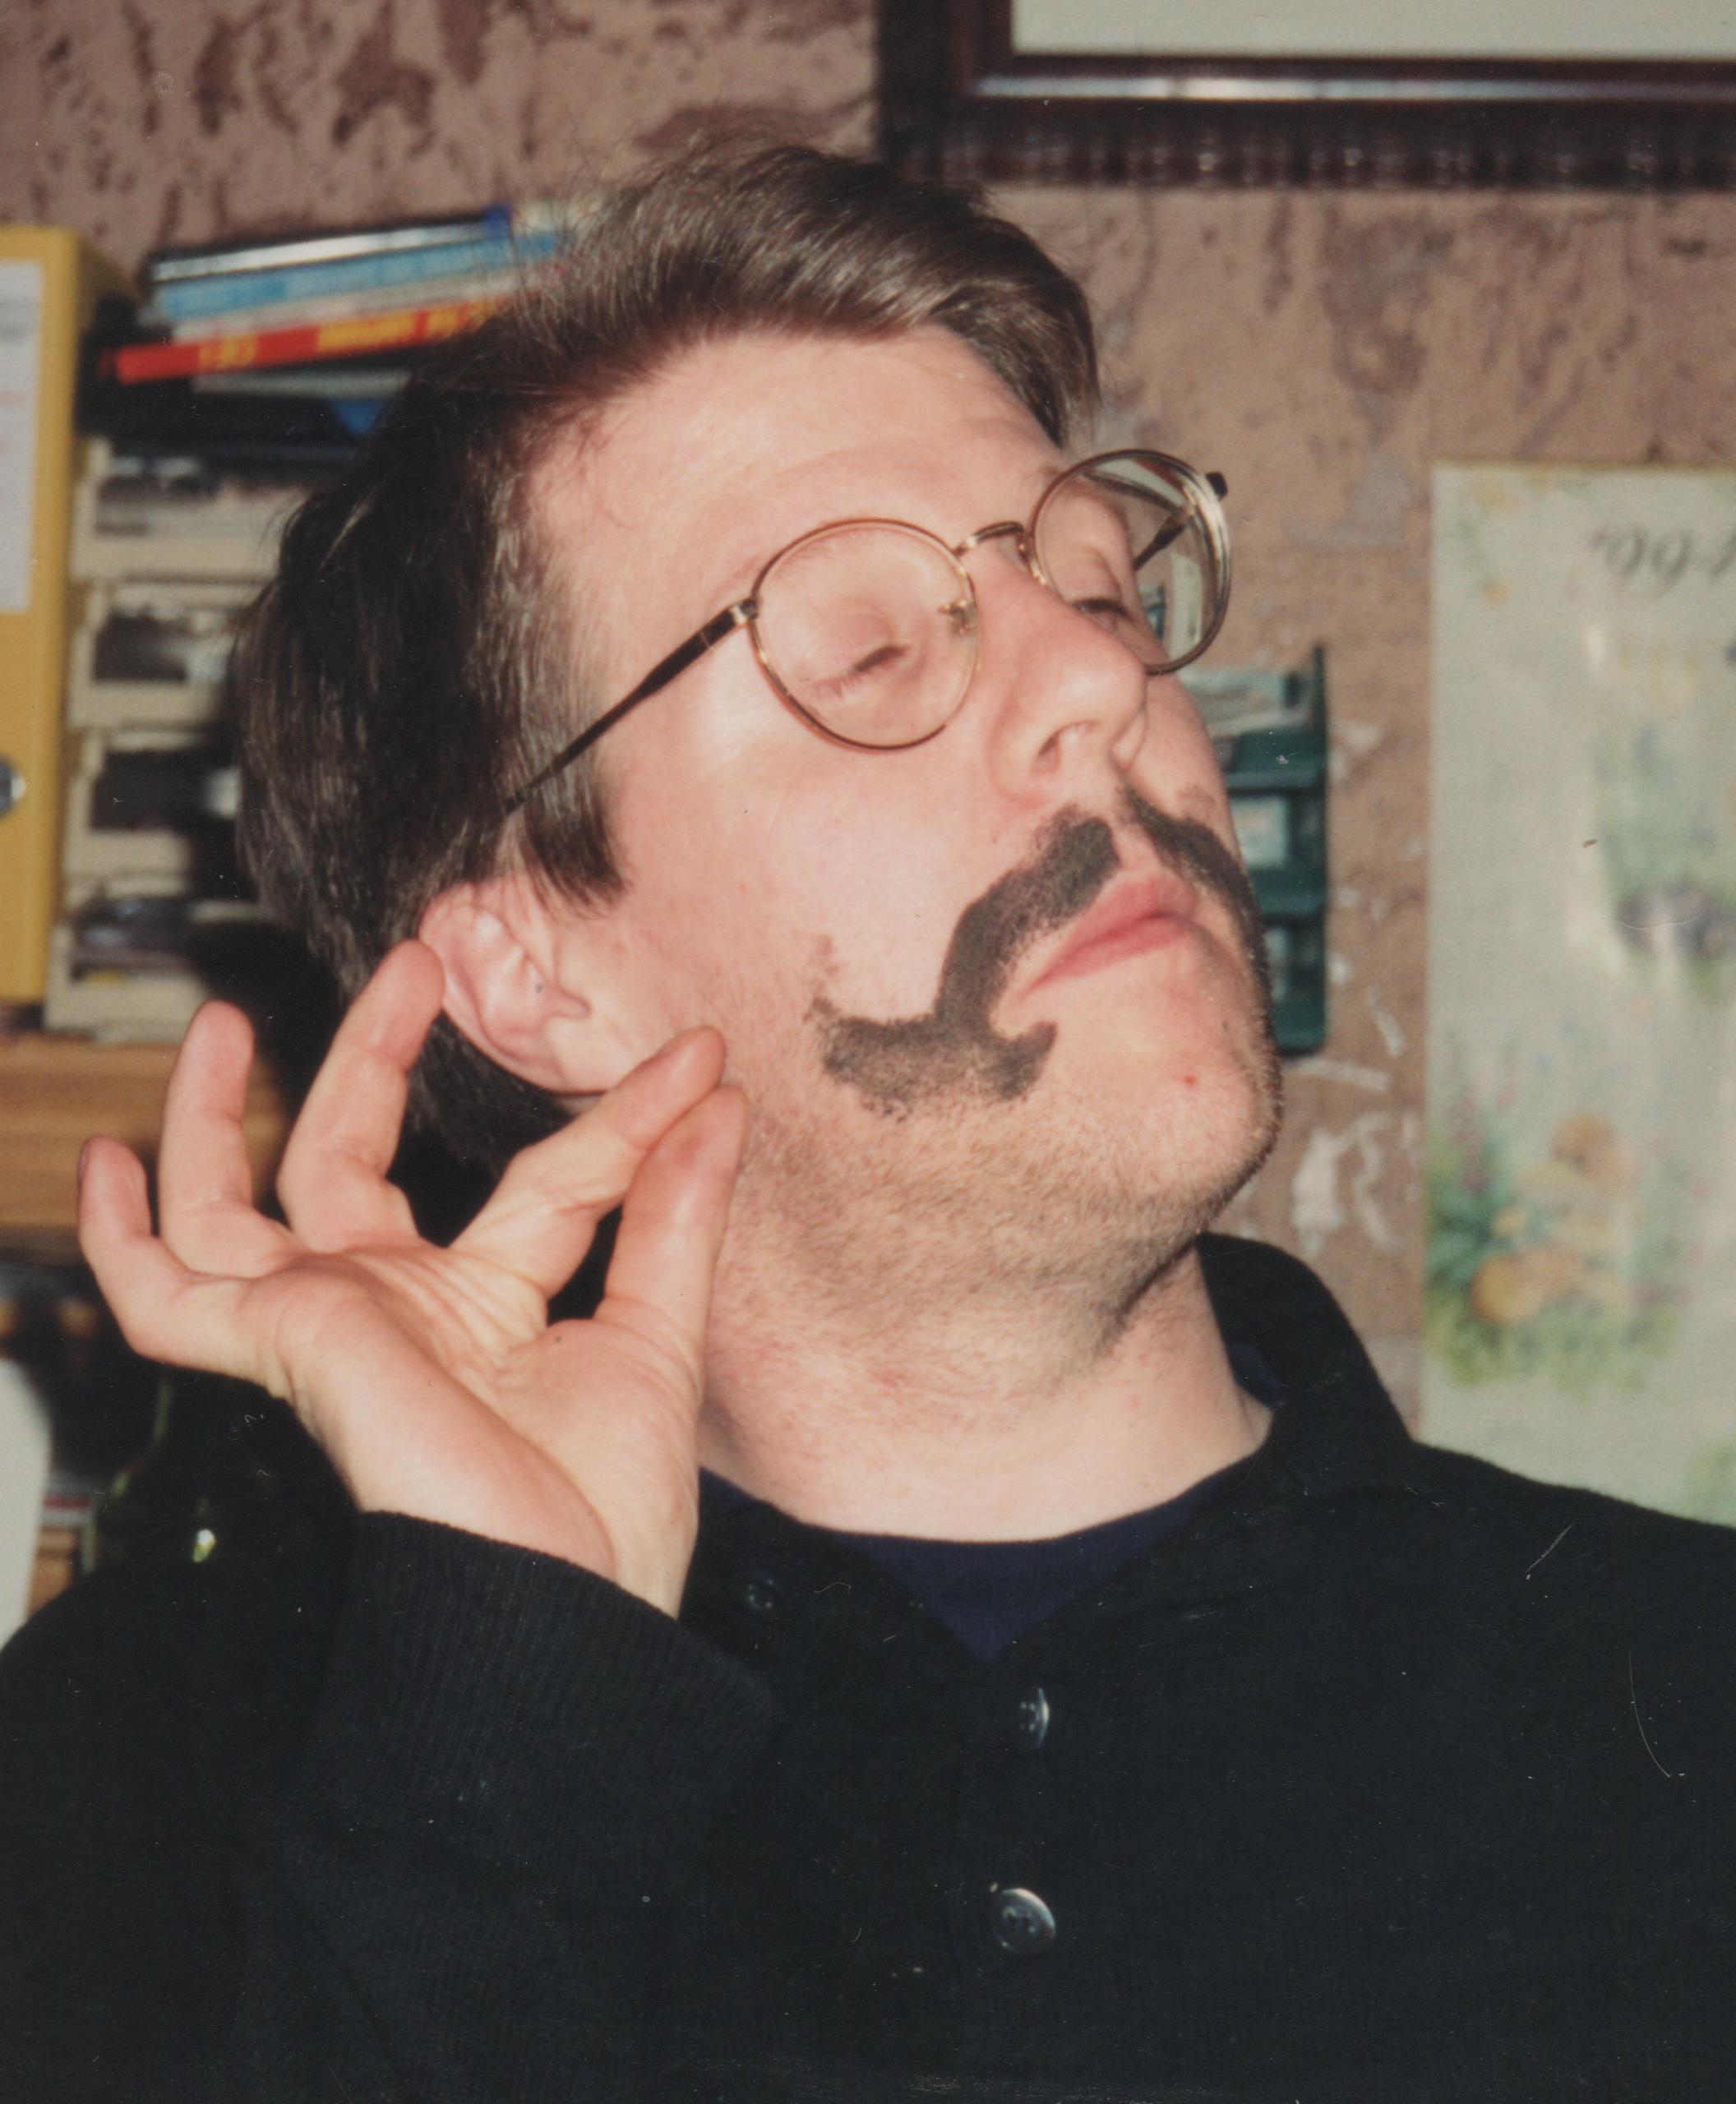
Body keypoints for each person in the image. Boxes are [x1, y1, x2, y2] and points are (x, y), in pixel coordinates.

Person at [2, 143, 1734, 2104]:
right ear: (534, 963)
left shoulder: (1681, 1709)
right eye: (875, 649)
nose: (1099, 677)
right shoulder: (131, 1776)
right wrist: (501, 1709)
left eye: (1099, 580)